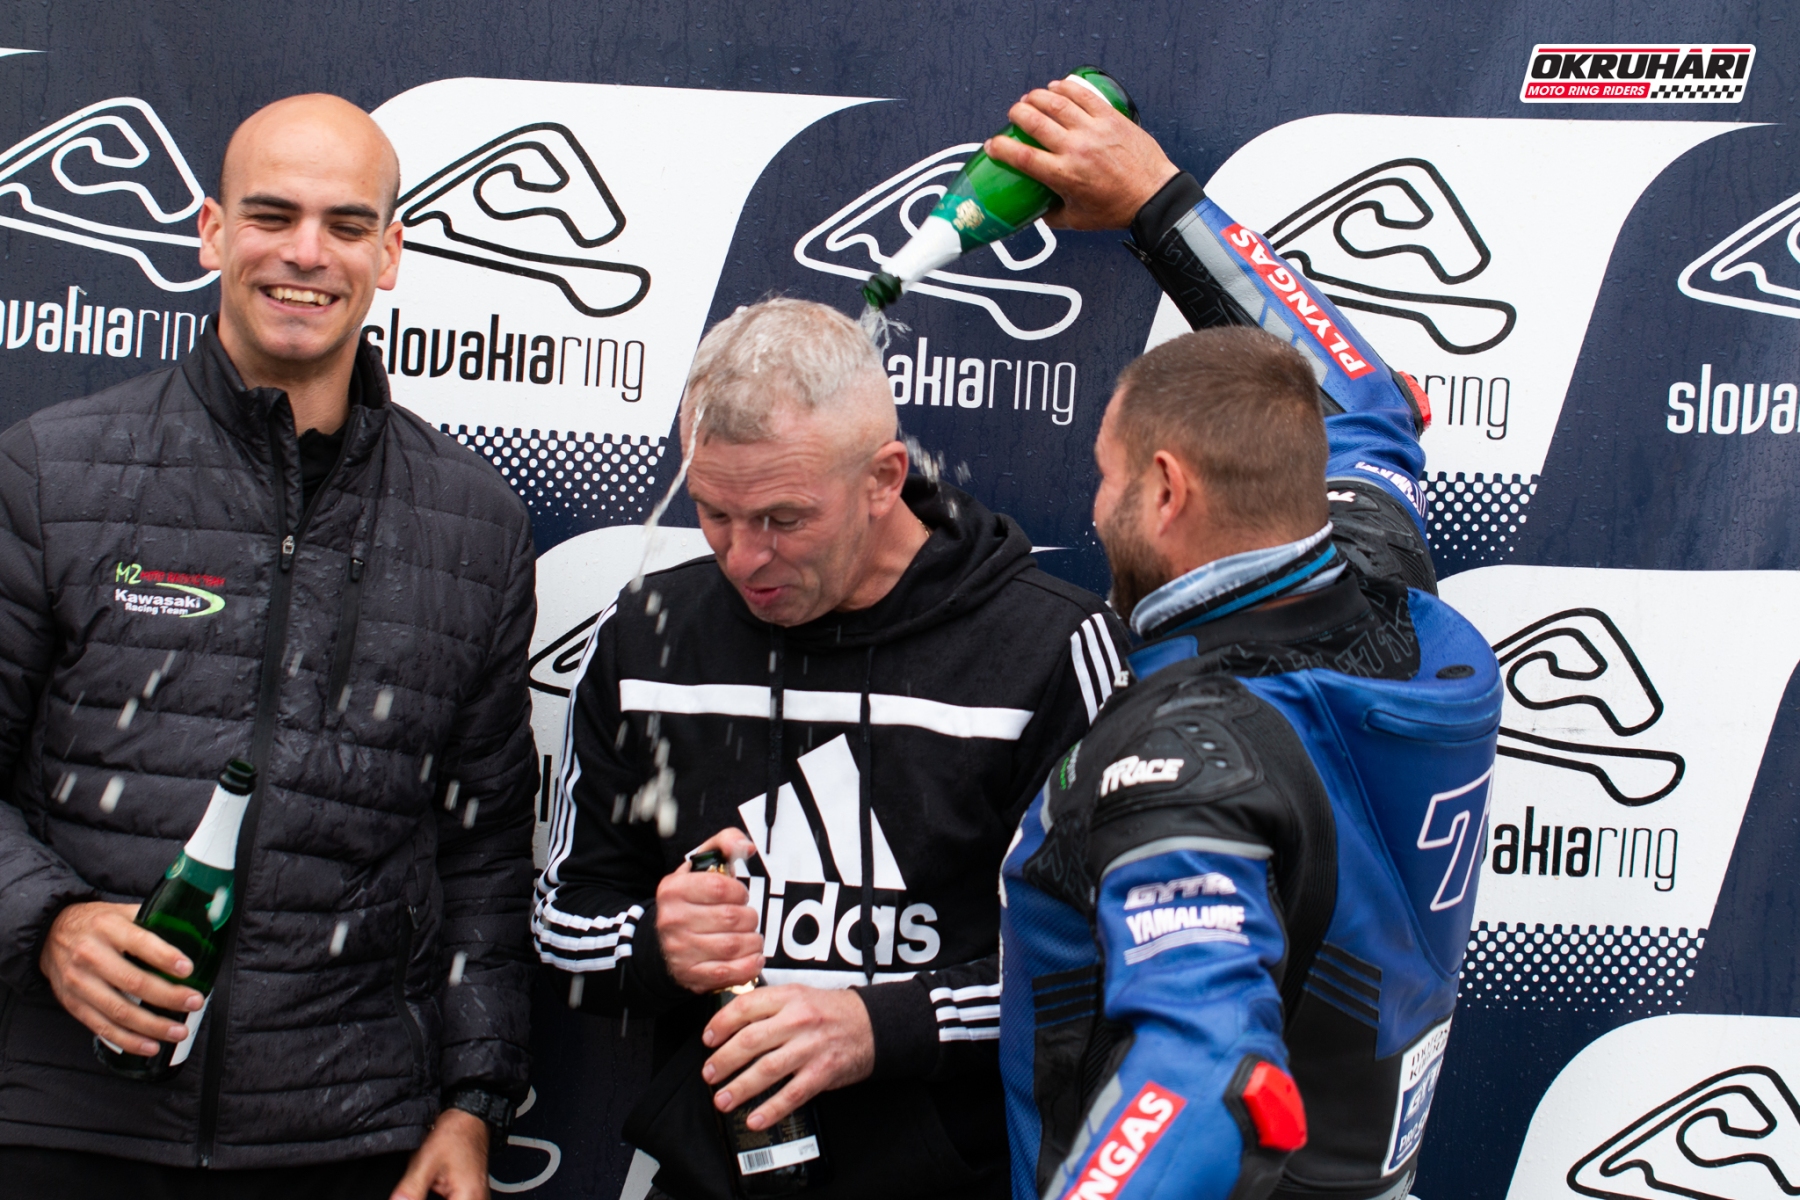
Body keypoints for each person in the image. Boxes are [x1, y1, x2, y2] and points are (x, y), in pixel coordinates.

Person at [0, 94, 537, 1199]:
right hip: (68, 1127)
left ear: (389, 254)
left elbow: (481, 853)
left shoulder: (473, 523)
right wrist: (48, 922)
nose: (306, 253)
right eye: (272, 215)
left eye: (346, 225)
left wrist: (473, 1101)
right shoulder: (51, 472)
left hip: (342, 1141)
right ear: (211, 232)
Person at [984, 81, 1502, 1200]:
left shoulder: (1180, 760)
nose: (1094, 506)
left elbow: (1205, 1064)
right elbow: (1359, 397)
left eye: (1107, 476)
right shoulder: (1386, 575)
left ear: (1166, 491)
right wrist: (1157, 202)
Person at [533, 297, 1128, 1200]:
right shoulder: (649, 634)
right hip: (714, 1176)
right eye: (714, 513)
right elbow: (564, 921)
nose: (743, 557)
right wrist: (654, 941)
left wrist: (880, 1026)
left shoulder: (1049, 648)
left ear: (884, 477)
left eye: (783, 519)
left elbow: (1109, 961)